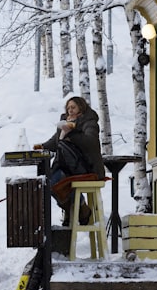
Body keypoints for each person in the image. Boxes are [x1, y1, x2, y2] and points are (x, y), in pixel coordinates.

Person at [34, 96, 104, 226]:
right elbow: (56, 141)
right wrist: (42, 146)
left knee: (56, 179)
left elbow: (91, 142)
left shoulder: (89, 122)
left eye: (73, 107)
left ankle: (74, 210)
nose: (70, 110)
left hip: (87, 167)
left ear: (81, 107)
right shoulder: (65, 122)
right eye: (68, 108)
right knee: (50, 183)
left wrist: (72, 132)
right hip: (69, 167)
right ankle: (79, 208)